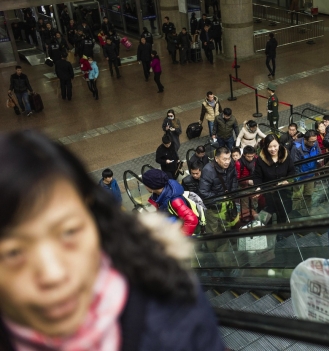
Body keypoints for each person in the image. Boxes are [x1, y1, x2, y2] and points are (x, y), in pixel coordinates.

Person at [0, 130, 225, 351]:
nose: (54, 275)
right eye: (13, 252)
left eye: (68, 232)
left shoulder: (175, 300)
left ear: (95, 217)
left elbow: (189, 219)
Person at [252, 134, 296, 224]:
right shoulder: (261, 159)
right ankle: (267, 229)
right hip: (268, 193)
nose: (273, 149)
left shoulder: (285, 154)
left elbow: (292, 171)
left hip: (283, 192)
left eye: (275, 146)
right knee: (267, 214)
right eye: (270, 147)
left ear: (279, 144)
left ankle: (280, 234)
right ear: (266, 147)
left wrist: (287, 181)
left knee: (282, 213)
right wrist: (258, 187)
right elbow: (257, 176)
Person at [142, 169, 198, 236]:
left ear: (152, 186)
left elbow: (192, 219)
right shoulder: (164, 190)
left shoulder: (175, 201)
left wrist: (181, 237)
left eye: (145, 184)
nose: (145, 187)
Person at [199, 147, 238, 235]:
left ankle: (226, 244)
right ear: (216, 159)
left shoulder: (231, 164)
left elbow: (234, 179)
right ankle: (213, 247)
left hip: (227, 202)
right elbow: (203, 192)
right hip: (214, 207)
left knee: (227, 225)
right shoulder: (208, 170)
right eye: (224, 159)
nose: (227, 161)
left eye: (229, 158)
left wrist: (233, 192)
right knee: (213, 230)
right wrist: (220, 198)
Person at [291, 129, 321, 210]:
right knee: (297, 197)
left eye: (315, 141)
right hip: (300, 176)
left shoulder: (315, 143)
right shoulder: (297, 148)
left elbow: (319, 155)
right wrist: (297, 179)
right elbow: (294, 165)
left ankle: (306, 212)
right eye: (311, 141)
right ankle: (296, 215)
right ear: (305, 140)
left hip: (310, 174)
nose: (314, 143)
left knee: (308, 195)